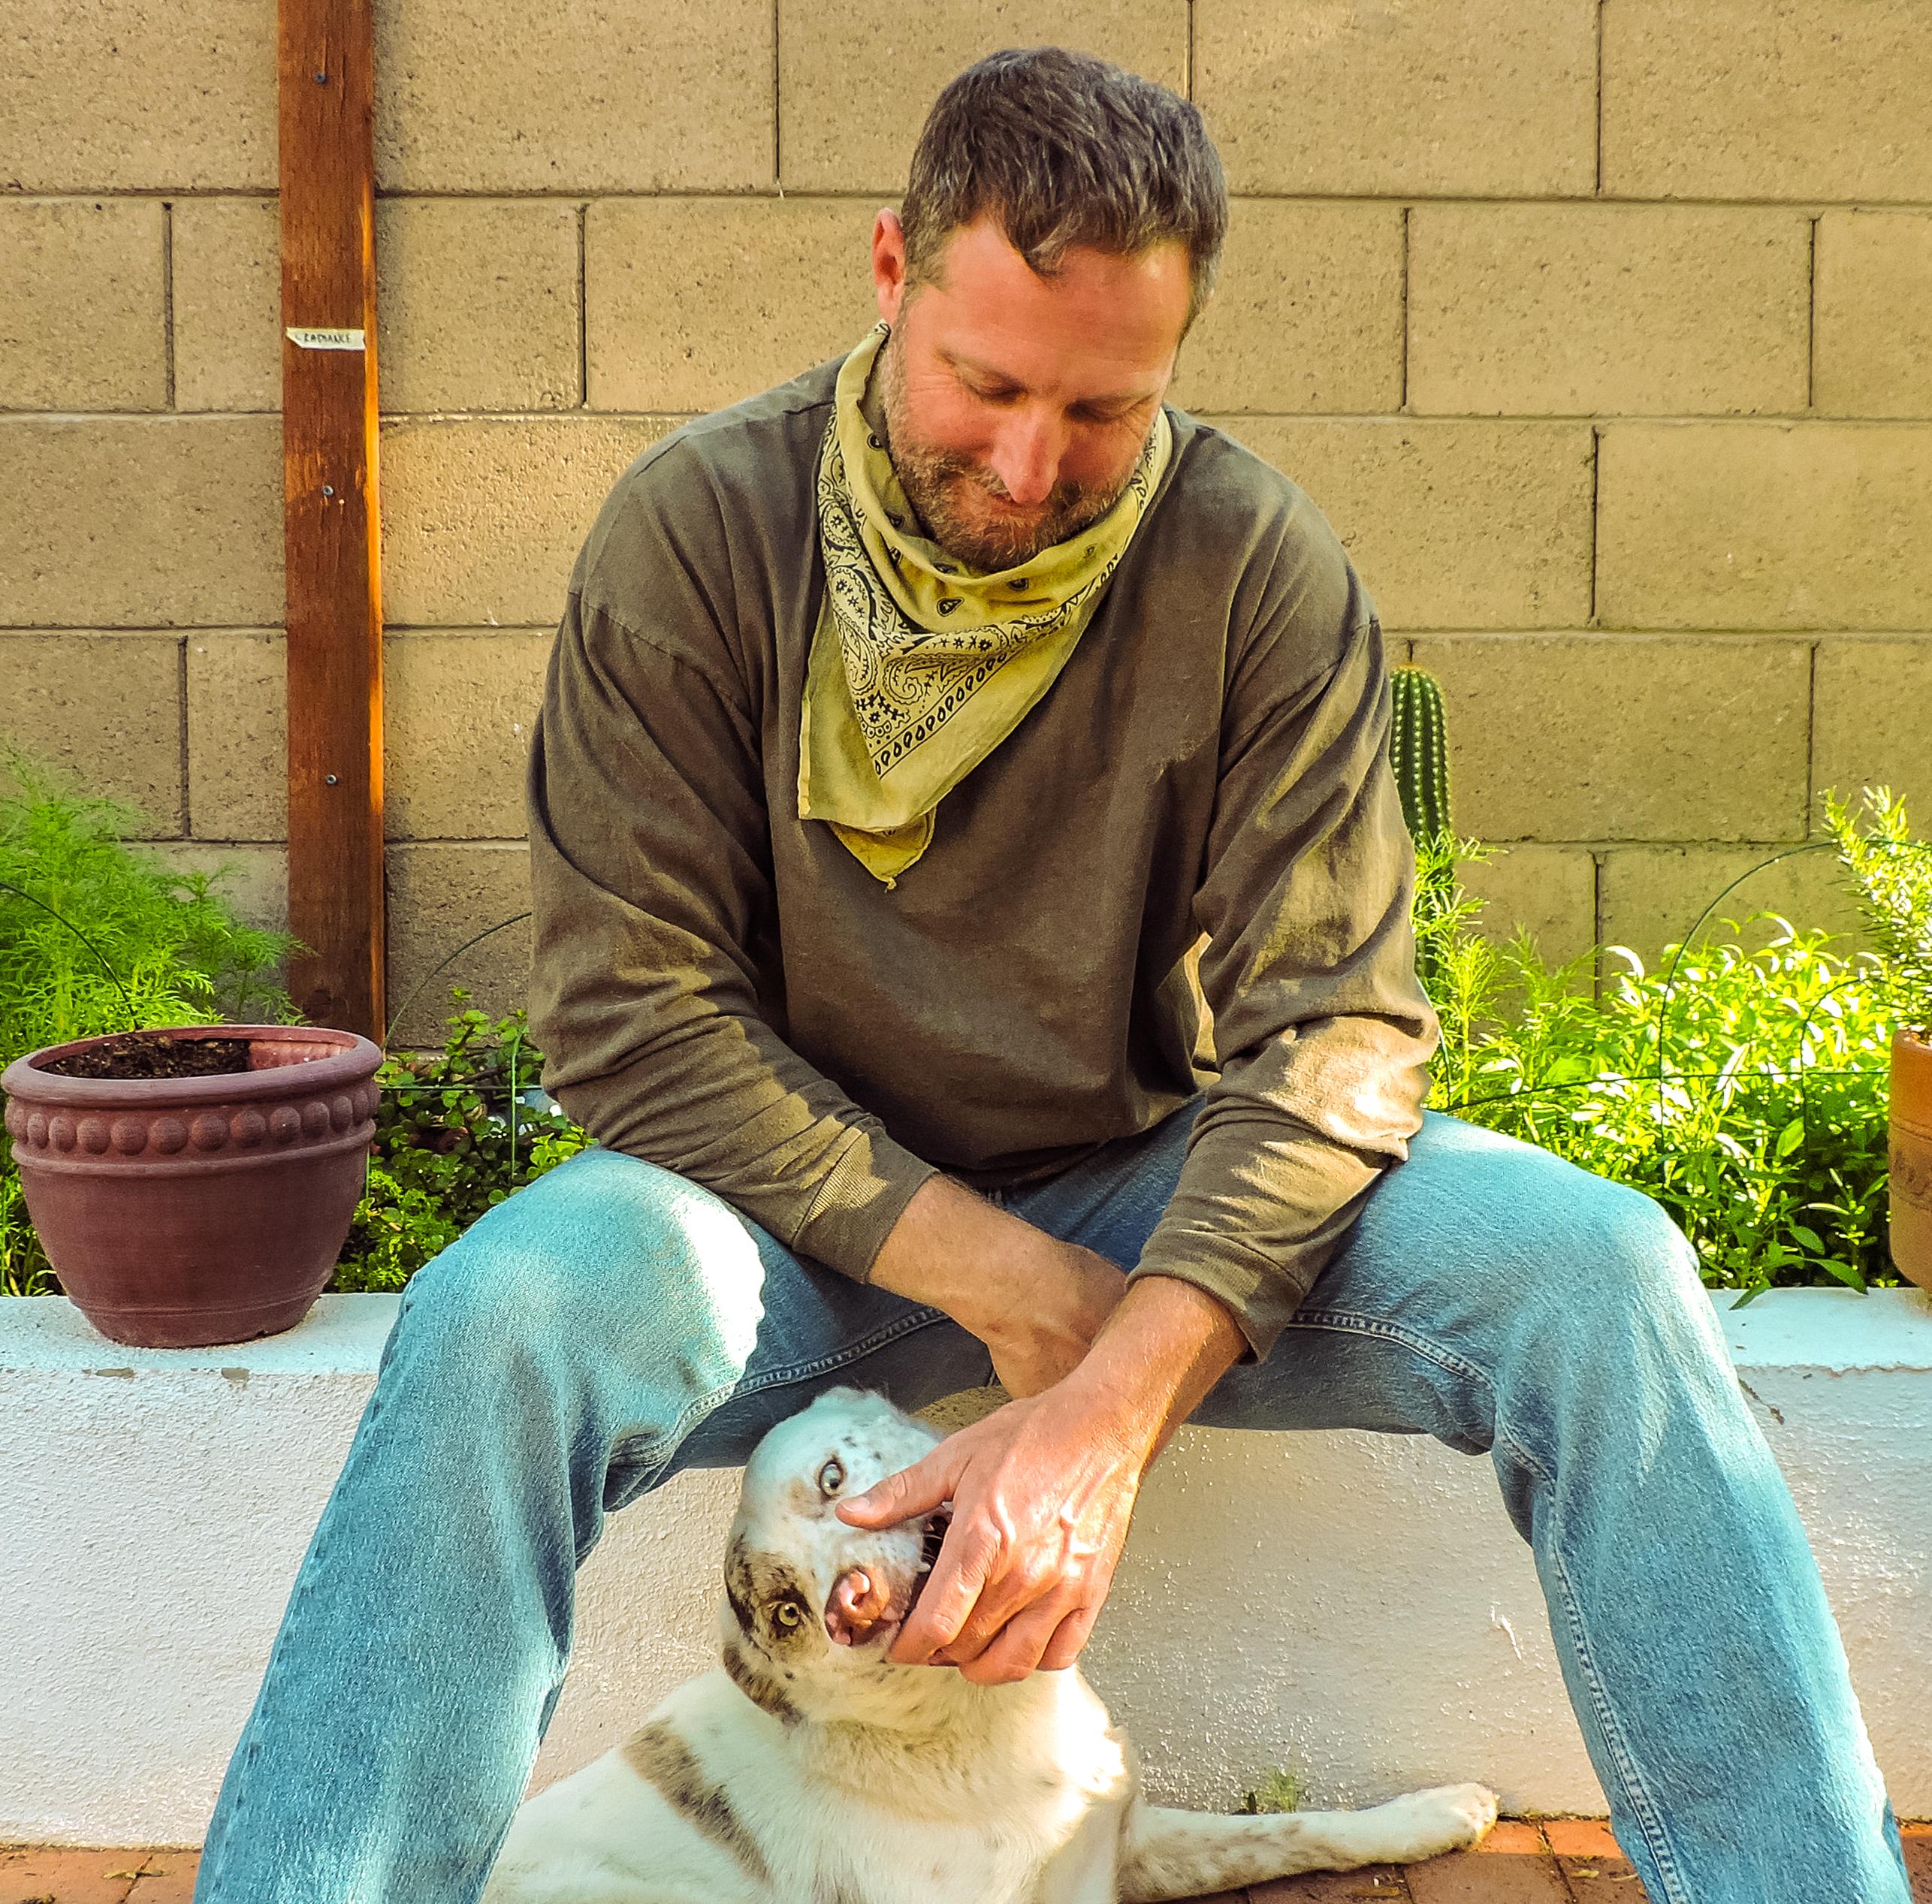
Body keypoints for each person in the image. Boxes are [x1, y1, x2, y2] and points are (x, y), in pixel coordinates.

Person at [192, 46, 1910, 1904]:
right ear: (889, 270)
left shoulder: (1252, 567)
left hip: (1137, 1204)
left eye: (1102, 408)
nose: (1028, 466)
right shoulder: (694, 534)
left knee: (1600, 1271)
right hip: (770, 1228)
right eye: (987, 383)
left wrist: (1108, 1395)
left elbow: (1333, 1028)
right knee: (502, 1317)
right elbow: (632, 1016)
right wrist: (1010, 1281)